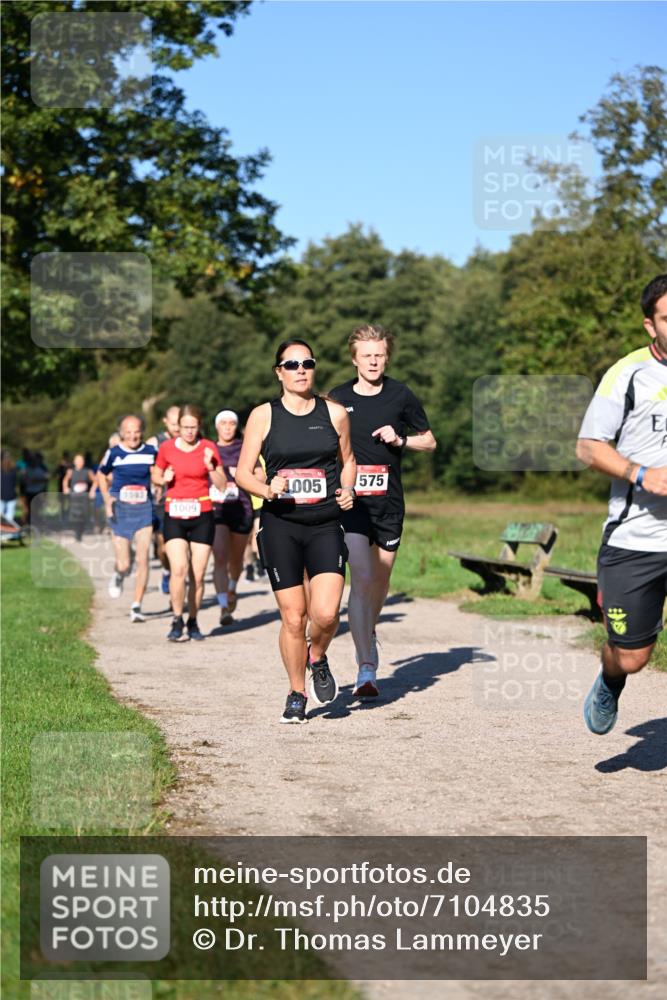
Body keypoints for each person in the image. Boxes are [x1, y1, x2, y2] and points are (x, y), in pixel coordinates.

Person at [235, 338, 356, 724]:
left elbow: (348, 460)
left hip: (324, 524)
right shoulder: (263, 416)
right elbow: (241, 473)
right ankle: (296, 692)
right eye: (291, 364)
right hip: (280, 525)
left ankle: (316, 655)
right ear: (279, 372)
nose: (300, 370)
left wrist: (348, 489)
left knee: (325, 613)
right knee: (293, 617)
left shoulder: (335, 414)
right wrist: (267, 488)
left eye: (307, 363)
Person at [576, 273, 667, 734]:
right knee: (632, 657)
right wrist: (641, 474)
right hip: (636, 538)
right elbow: (588, 447)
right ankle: (611, 680)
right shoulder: (627, 374)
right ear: (650, 325)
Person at [329, 325, 436, 699]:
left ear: (386, 356)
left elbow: (430, 440)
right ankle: (366, 667)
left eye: (379, 355)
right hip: (352, 504)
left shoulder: (400, 394)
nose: (373, 361)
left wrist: (401, 438)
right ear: (354, 359)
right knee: (360, 578)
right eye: (366, 355)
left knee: (379, 583)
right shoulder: (338, 399)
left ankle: (366, 630)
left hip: (389, 504)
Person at [152, 404, 227, 642]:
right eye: (184, 427)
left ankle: (193, 620)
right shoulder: (166, 448)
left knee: (198, 572)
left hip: (202, 513)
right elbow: (155, 474)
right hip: (174, 512)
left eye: (193, 427)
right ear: (178, 427)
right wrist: (162, 478)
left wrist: (210, 467)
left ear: (199, 426)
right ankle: (177, 619)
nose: (189, 432)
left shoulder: (208, 448)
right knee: (179, 569)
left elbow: (222, 483)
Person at [97, 416, 157, 622]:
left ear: (142, 432)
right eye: (128, 431)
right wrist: (106, 499)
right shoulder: (114, 453)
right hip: (120, 511)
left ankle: (136, 606)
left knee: (143, 559)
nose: (133, 435)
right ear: (121, 433)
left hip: (144, 510)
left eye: (137, 431)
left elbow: (158, 473)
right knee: (124, 563)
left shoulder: (151, 452)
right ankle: (119, 575)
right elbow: (100, 474)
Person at [211, 409, 264, 626]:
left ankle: (232, 587)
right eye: (223, 423)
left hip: (242, 509)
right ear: (216, 426)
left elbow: (261, 476)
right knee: (220, 556)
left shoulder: (245, 447)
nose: (227, 427)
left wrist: (242, 475)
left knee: (236, 559)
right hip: (217, 510)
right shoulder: (209, 449)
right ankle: (223, 605)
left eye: (231, 423)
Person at [147, 405, 181, 598]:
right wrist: (157, 479)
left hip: (184, 497)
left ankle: (179, 577)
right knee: (162, 544)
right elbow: (148, 466)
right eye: (174, 423)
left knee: (178, 545)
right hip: (161, 499)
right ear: (165, 422)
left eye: (180, 422)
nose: (177, 427)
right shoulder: (155, 442)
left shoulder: (190, 439)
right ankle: (167, 571)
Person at [62, 453, 95, 541]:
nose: (80, 462)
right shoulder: (71, 472)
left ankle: (80, 531)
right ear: (74, 462)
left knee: (83, 515)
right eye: (78, 460)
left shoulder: (88, 471)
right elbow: (65, 480)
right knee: (75, 515)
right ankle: (77, 533)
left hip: (84, 497)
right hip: (74, 497)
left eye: (82, 460)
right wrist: (66, 488)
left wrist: (92, 490)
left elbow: (95, 481)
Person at [19, 451, 49, 524]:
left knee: (37, 509)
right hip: (29, 492)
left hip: (38, 492)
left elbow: (46, 479)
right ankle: (30, 525)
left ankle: (36, 524)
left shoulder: (41, 468)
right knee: (29, 510)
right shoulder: (27, 469)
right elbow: (23, 481)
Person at [1, 450, 18, 522]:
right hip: (1, 498)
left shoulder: (14, 470)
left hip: (11, 497)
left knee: (9, 519)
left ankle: (8, 532)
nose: (6, 460)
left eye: (8, 458)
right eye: (5, 458)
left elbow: (15, 485)